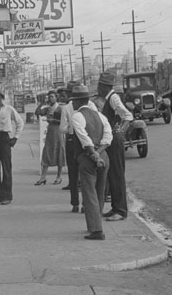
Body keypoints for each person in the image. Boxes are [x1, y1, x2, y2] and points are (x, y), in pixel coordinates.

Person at [69, 85, 112, 240]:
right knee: (100, 193)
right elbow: (108, 138)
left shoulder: (77, 116)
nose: (72, 104)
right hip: (103, 157)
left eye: (73, 101)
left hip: (88, 158)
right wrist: (99, 154)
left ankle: (96, 230)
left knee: (89, 194)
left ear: (79, 101)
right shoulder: (100, 116)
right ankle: (95, 224)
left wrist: (94, 155)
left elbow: (84, 138)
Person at [96, 72, 133, 221]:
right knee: (111, 174)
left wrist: (120, 130)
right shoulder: (107, 98)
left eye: (100, 85)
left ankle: (121, 210)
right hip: (110, 140)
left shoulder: (113, 98)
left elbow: (128, 116)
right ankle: (115, 207)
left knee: (117, 174)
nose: (98, 88)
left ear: (106, 86)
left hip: (115, 140)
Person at [59, 81, 98, 213]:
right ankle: (75, 202)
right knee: (73, 173)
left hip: (87, 140)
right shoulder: (67, 108)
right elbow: (62, 129)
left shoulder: (91, 106)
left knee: (87, 175)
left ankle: (87, 204)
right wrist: (72, 125)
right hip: (72, 140)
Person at [35, 90, 65, 185]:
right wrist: (42, 103)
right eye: (49, 97)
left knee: (59, 151)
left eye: (52, 97)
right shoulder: (48, 108)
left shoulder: (59, 108)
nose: (50, 99)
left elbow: (63, 121)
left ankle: (59, 176)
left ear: (56, 98)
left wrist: (52, 120)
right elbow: (38, 112)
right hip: (50, 132)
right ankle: (43, 177)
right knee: (47, 152)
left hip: (57, 131)